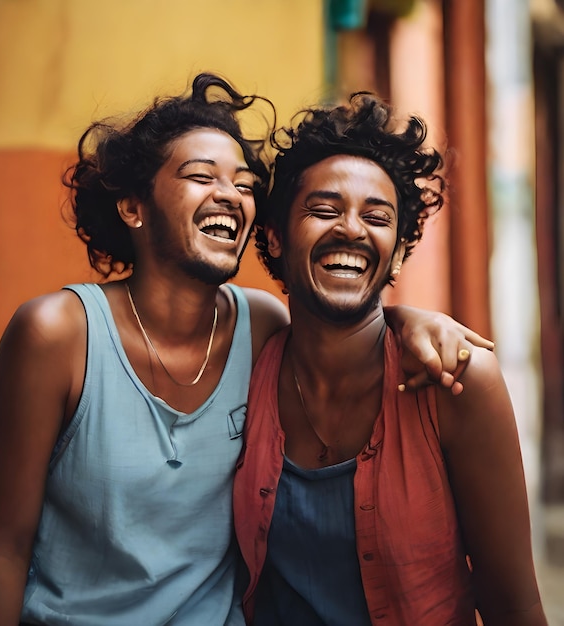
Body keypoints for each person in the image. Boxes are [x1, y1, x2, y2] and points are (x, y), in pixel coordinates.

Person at [0, 74, 491, 626]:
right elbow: (1, 548)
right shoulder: (57, 335)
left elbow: (344, 323)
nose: (230, 196)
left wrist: (414, 322)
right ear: (133, 206)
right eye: (200, 176)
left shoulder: (259, 325)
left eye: (243, 184)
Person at [233, 92, 547, 625]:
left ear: (398, 252)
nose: (351, 229)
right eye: (324, 210)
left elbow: (514, 607)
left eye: (376, 217)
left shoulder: (457, 383)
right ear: (276, 238)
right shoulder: (245, 360)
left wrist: (410, 319)